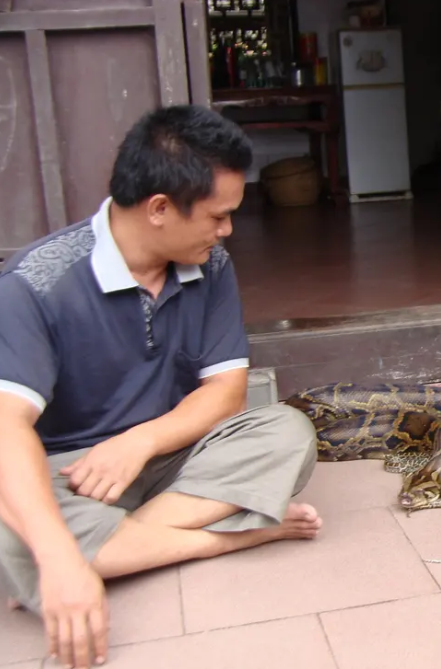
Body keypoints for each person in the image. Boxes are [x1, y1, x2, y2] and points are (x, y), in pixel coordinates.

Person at [0, 105, 322, 669]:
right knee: (12, 519)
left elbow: (226, 393)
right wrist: (57, 555)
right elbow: (6, 426)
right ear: (159, 208)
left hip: (170, 455)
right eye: (218, 216)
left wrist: (141, 442)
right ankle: (239, 535)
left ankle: (106, 550)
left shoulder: (211, 266)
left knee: (288, 430)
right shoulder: (35, 284)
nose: (227, 231)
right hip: (73, 474)